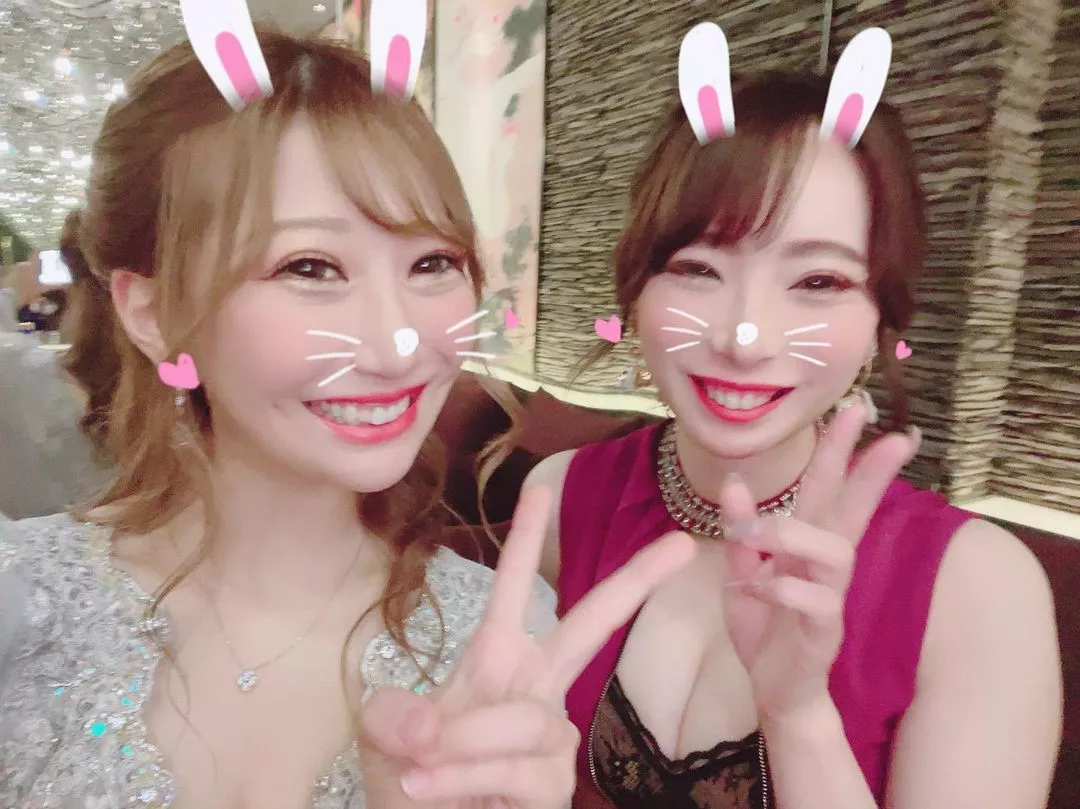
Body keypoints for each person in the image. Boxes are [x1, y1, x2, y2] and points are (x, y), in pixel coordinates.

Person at [0, 15, 696, 809]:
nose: (399, 346)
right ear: (152, 311)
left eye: (432, 262)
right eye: (310, 266)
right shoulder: (21, 602)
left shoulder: (499, 638)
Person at [526, 24, 1062, 809]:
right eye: (698, 267)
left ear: (879, 320)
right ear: (637, 291)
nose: (745, 336)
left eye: (818, 281)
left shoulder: (979, 587)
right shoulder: (561, 500)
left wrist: (799, 713)